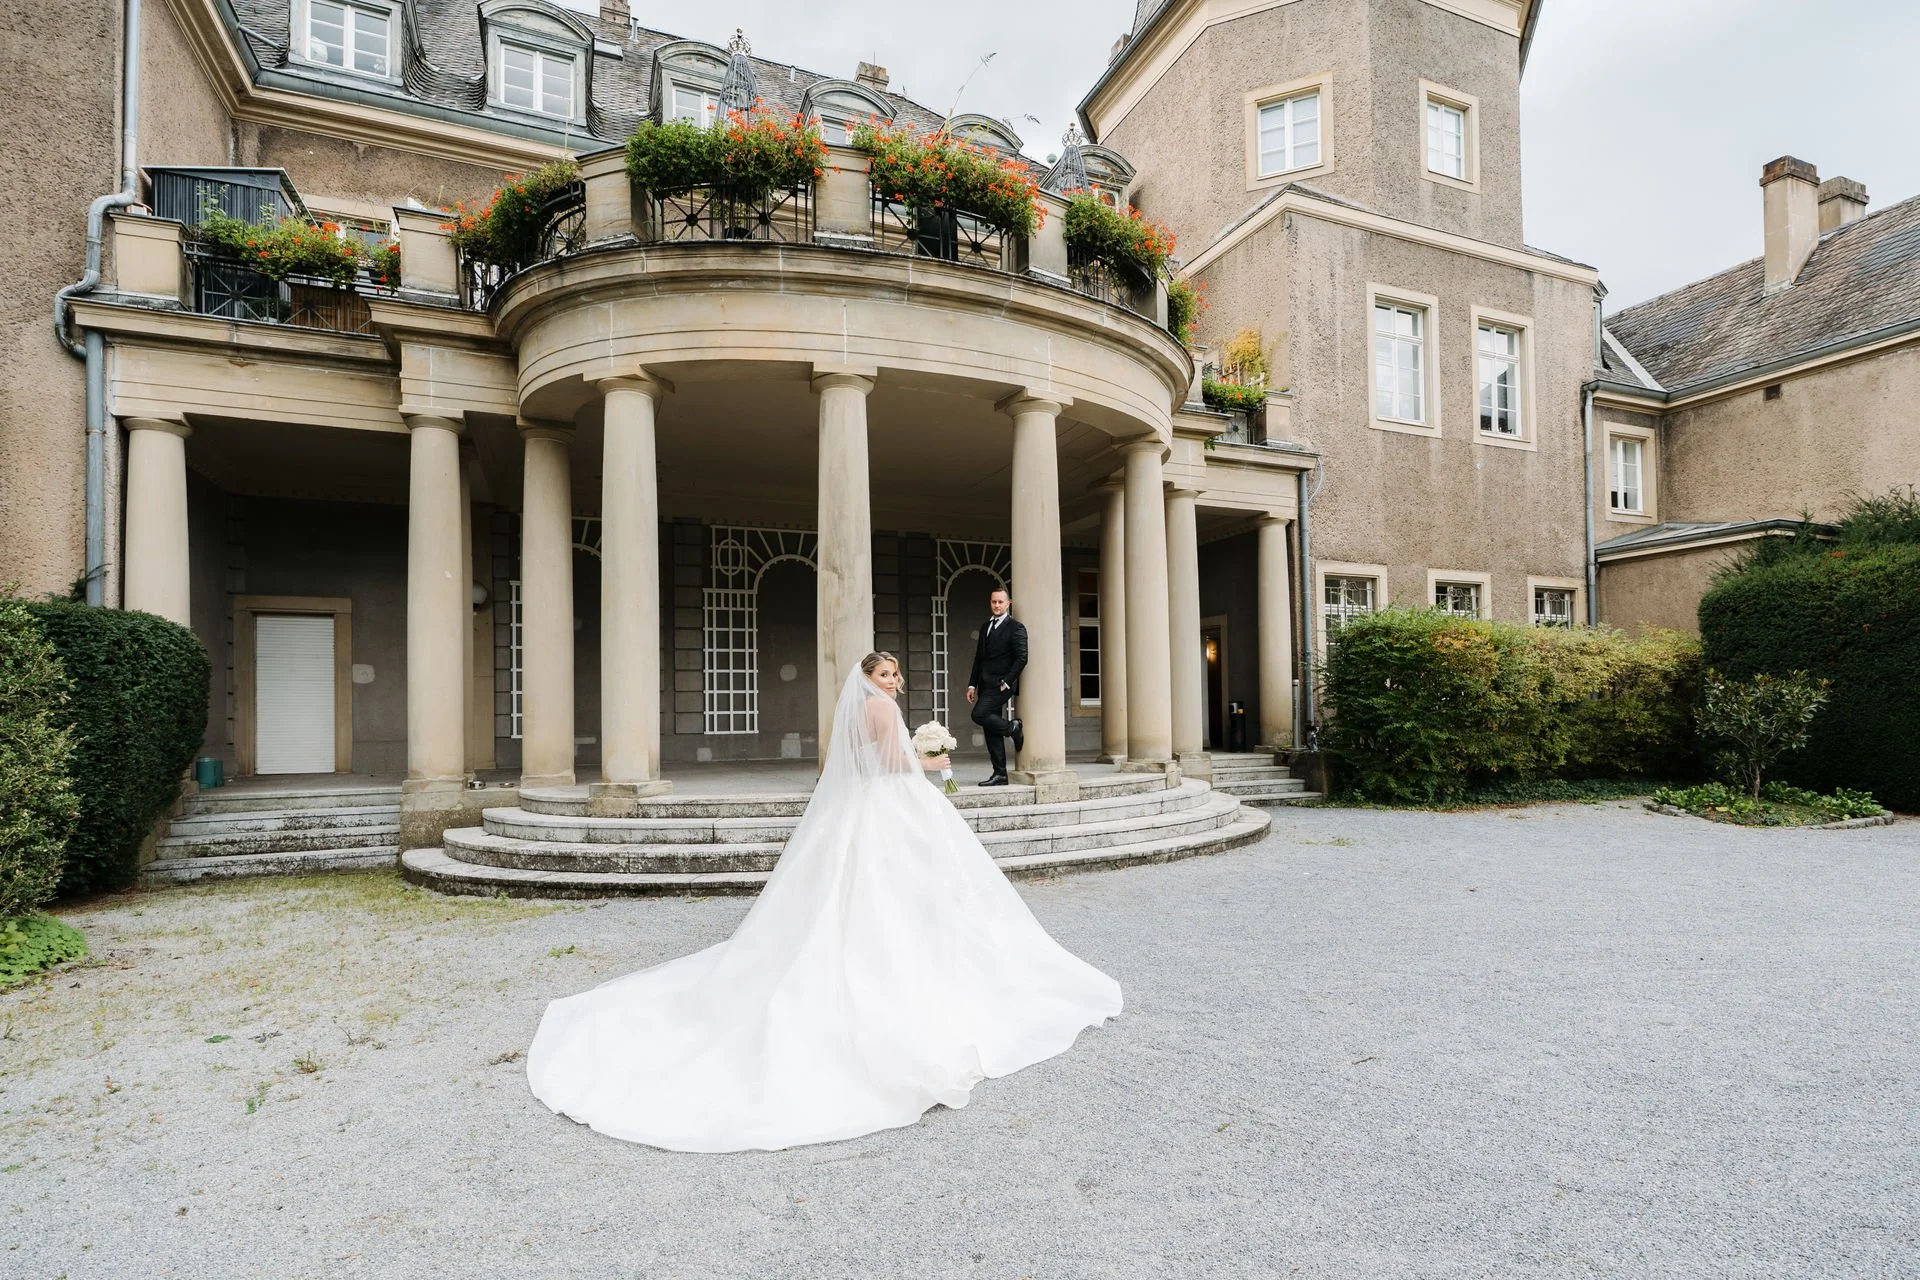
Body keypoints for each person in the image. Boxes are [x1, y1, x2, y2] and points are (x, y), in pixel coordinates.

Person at [525, 652, 1123, 1153]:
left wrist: (918, 757)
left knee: (870, 886)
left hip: (871, 806)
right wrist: (933, 761)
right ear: (869, 678)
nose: (893, 681)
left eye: (895, 674)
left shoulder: (861, 710)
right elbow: (891, 763)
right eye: (884, 674)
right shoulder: (880, 709)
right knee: (908, 887)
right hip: (893, 804)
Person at [965, 588, 1027, 786]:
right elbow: (979, 659)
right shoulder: (986, 626)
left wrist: (1007, 681)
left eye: (1001, 602)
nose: (997, 605)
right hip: (985, 684)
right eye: (994, 602)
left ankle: (1012, 728)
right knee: (990, 729)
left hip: (1002, 684)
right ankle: (1000, 774)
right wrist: (972, 684)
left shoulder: (1016, 627)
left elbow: (1022, 658)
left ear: (1008, 603)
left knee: (979, 714)